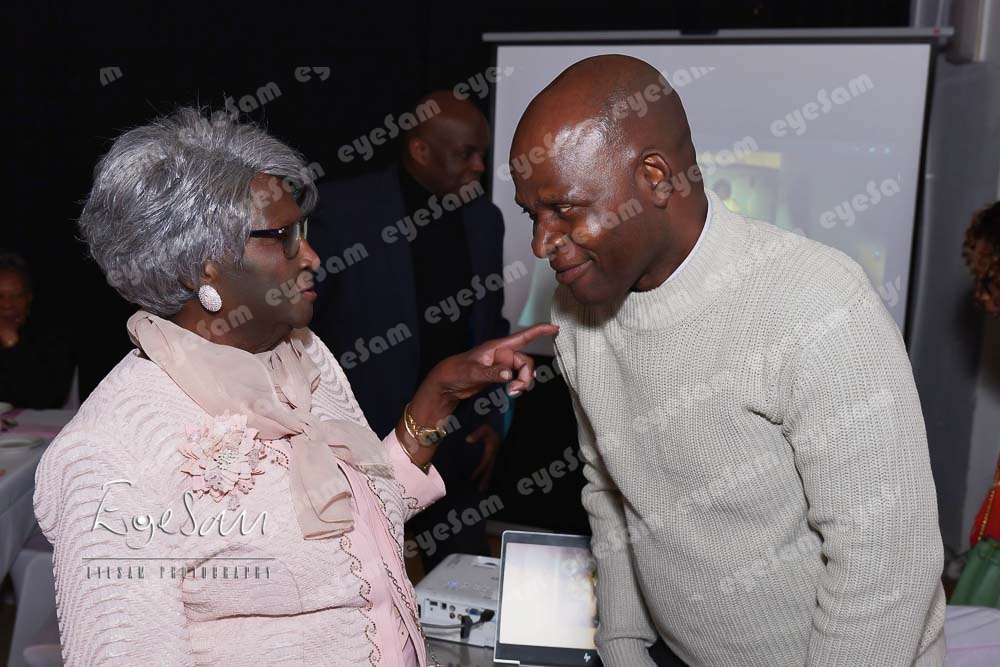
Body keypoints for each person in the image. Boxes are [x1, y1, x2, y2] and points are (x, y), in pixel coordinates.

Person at [33, 106, 554, 666]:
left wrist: (439, 394)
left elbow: (359, 521)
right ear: (202, 265)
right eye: (283, 237)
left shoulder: (304, 358)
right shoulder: (110, 450)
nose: (311, 256)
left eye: (302, 232)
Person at [511, 55, 945, 666]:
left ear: (655, 178)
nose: (541, 243)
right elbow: (609, 491)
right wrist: (623, 648)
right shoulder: (577, 310)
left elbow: (888, 558)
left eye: (565, 210)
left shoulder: (817, 301)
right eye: (533, 215)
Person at [310, 91, 509, 569]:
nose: (480, 167)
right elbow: (306, 328)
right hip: (359, 444)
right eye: (467, 154)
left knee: (467, 581)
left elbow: (492, 327)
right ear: (420, 150)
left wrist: (492, 418)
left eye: (483, 154)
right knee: (358, 580)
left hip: (455, 440)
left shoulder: (485, 220)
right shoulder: (342, 210)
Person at [0, 251, 76, 408]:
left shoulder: (52, 333)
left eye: (16, 295)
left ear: (29, 297)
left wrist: (12, 342)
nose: (7, 304)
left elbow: (45, 399)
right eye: (0, 296)